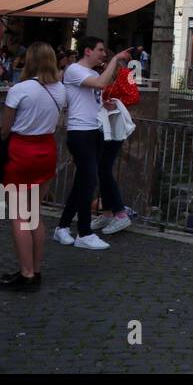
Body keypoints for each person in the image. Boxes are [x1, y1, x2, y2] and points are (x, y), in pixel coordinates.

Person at [0, 43, 67, 291]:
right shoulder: (60, 90)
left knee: (18, 215)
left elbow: (5, 129)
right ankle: (35, 270)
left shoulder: (20, 89)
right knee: (34, 213)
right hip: (46, 149)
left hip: (22, 151)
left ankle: (26, 273)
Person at [54, 37, 132, 251]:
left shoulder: (95, 73)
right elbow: (100, 84)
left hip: (93, 130)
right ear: (87, 51)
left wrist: (105, 105)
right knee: (88, 181)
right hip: (80, 132)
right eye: (100, 50)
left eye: (105, 52)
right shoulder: (74, 70)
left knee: (83, 181)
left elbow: (94, 94)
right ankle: (84, 233)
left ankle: (62, 227)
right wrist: (116, 59)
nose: (103, 54)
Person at [92, 62, 138, 237]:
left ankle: (119, 212)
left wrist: (115, 102)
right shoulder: (107, 76)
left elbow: (134, 96)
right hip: (106, 124)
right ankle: (108, 213)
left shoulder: (126, 73)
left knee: (104, 169)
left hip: (115, 126)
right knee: (102, 169)